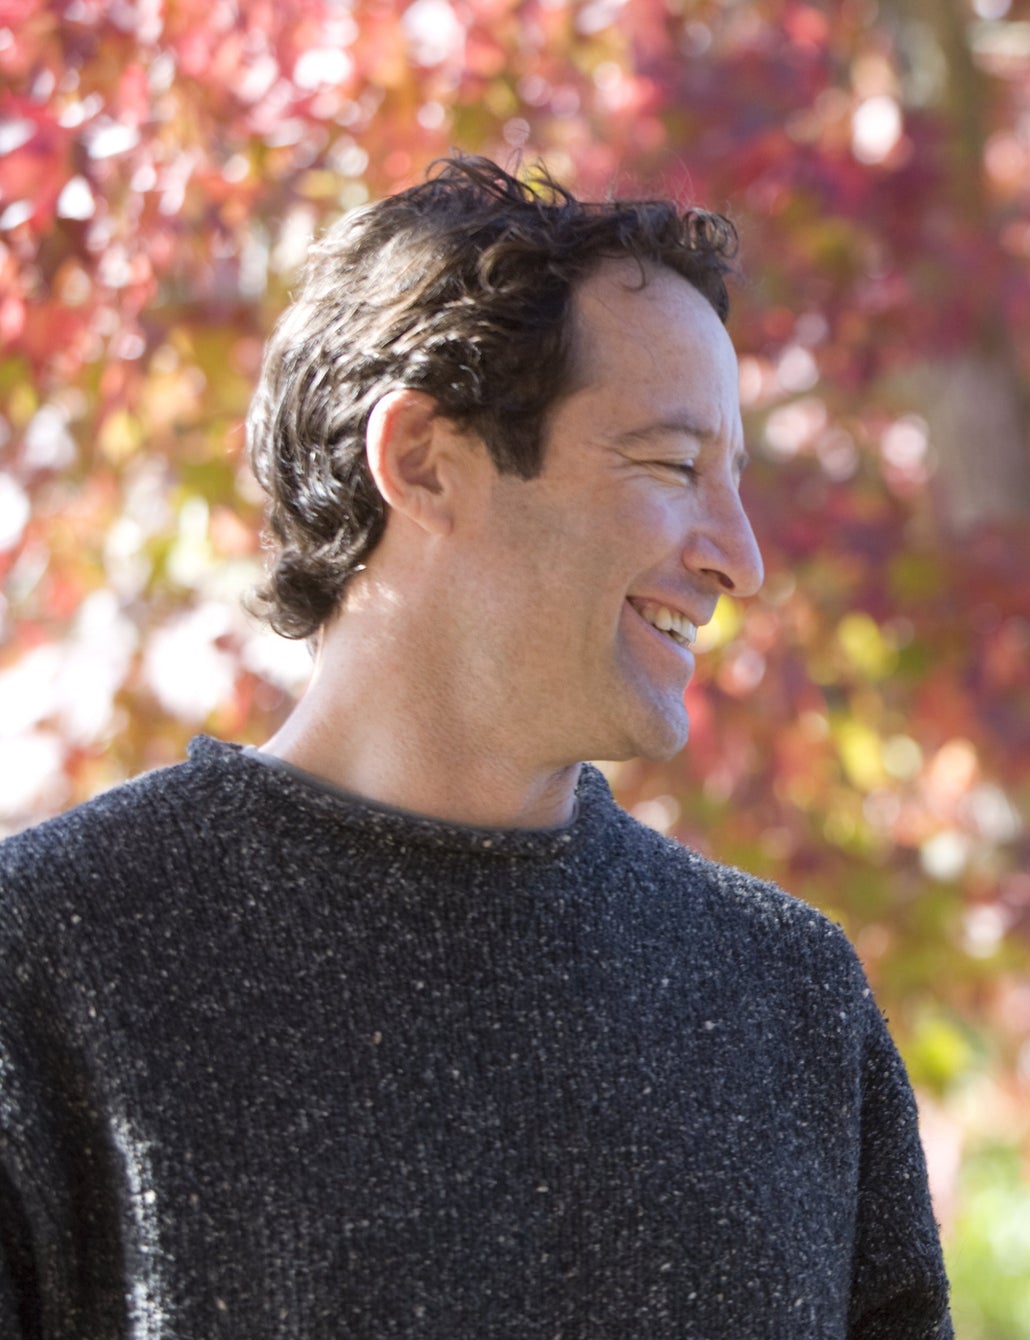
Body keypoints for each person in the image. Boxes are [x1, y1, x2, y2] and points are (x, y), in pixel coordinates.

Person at [0, 157, 951, 1338]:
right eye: (670, 465)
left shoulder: (791, 1002)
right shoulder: (50, 961)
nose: (740, 558)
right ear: (424, 462)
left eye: (736, 481)